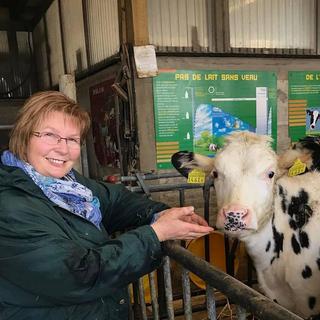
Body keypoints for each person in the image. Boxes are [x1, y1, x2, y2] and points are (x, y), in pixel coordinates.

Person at [0, 91, 213, 320]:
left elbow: (115, 200)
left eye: (72, 139)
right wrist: (156, 233)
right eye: (50, 135)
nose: (63, 149)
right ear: (24, 136)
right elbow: (78, 275)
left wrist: (161, 213)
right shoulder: (10, 205)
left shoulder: (67, 183)